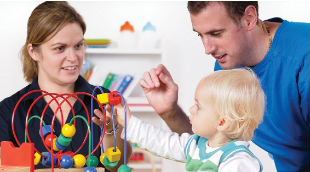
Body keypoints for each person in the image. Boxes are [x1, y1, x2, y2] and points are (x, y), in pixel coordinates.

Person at [139, 1, 310, 172]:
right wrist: (170, 112)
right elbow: (212, 143)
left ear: (249, 18)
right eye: (200, 35)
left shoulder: (305, 58)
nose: (207, 49)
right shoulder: (229, 63)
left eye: (216, 33)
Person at [0, 1, 132, 171]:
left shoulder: (104, 101)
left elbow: (118, 166)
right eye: (60, 48)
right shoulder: (9, 111)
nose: (73, 57)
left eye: (78, 46)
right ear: (33, 52)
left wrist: (110, 130)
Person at [108, 68, 265, 172]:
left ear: (222, 122)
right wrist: (128, 122)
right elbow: (161, 141)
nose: (191, 109)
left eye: (198, 106)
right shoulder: (197, 145)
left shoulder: (239, 161)